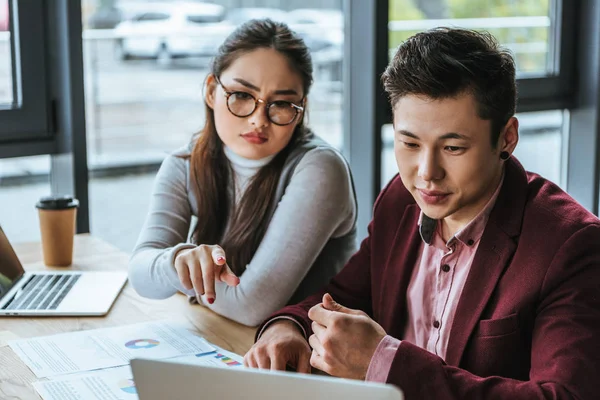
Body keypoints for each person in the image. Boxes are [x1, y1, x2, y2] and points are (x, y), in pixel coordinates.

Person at [245, 27, 600, 399]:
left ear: (506, 137)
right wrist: (290, 326)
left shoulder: (572, 245)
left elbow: (564, 396)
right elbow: (346, 295)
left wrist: (384, 364)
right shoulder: (401, 198)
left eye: (452, 147)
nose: (426, 172)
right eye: (409, 143)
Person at [128, 19, 357, 327]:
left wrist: (181, 282)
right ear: (212, 92)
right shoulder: (186, 163)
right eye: (242, 95)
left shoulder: (320, 168)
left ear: (301, 106)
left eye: (282, 103)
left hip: (310, 362)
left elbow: (250, 307)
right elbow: (141, 274)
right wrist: (179, 262)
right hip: (227, 345)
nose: (259, 120)